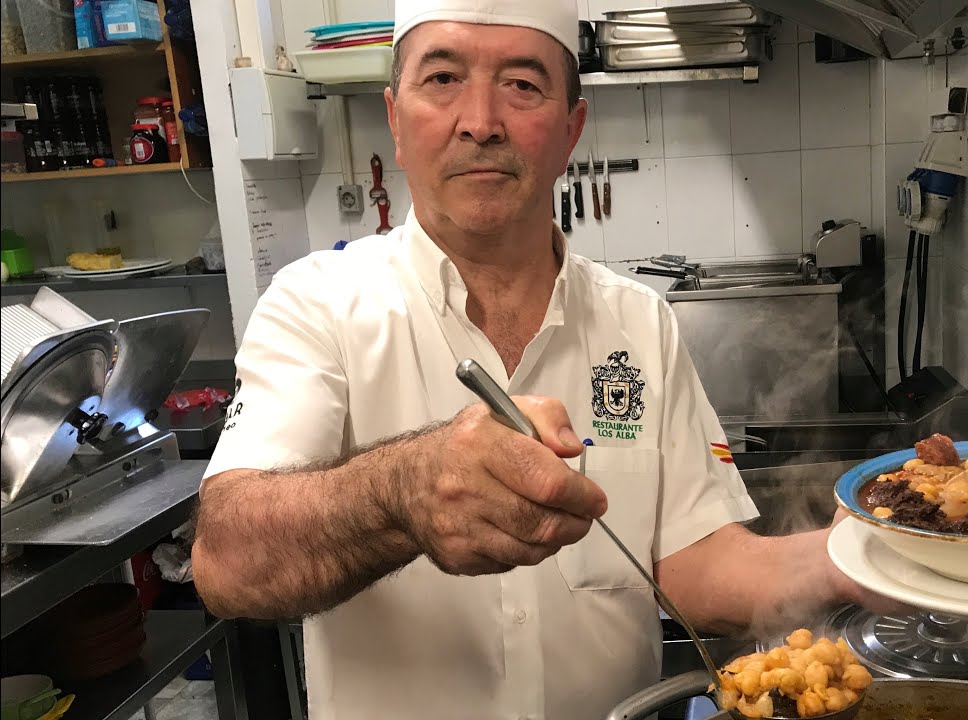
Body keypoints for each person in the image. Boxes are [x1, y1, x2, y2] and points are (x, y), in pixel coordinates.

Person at [191, 0, 896, 717]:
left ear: (571, 131)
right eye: (442, 79)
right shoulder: (318, 303)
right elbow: (228, 563)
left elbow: (696, 566)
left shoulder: (638, 321)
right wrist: (403, 492)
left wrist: (877, 554)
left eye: (522, 85)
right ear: (396, 122)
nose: (480, 121)